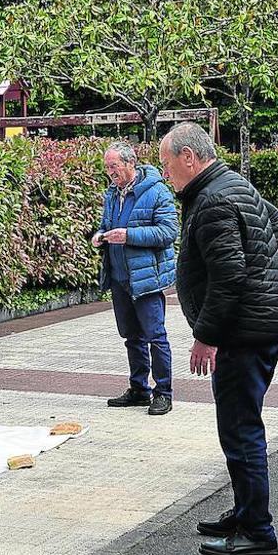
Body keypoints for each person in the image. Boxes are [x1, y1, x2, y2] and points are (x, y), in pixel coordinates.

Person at [158, 122, 278, 555]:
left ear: (188, 158)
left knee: (240, 429)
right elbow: (277, 224)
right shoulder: (232, 184)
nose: (166, 175)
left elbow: (229, 275)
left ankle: (257, 531)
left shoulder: (214, 198)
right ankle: (244, 512)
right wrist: (263, 265)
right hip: (257, 324)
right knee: (239, 425)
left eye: (167, 165)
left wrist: (206, 335)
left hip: (243, 332)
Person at [92, 140, 178, 416]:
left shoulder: (157, 192)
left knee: (155, 336)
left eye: (113, 166)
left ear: (130, 163)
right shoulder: (111, 194)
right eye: (106, 167)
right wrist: (100, 235)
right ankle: (139, 389)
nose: (109, 172)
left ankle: (163, 393)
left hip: (146, 279)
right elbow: (107, 226)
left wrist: (129, 236)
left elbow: (168, 233)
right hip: (119, 278)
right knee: (131, 336)